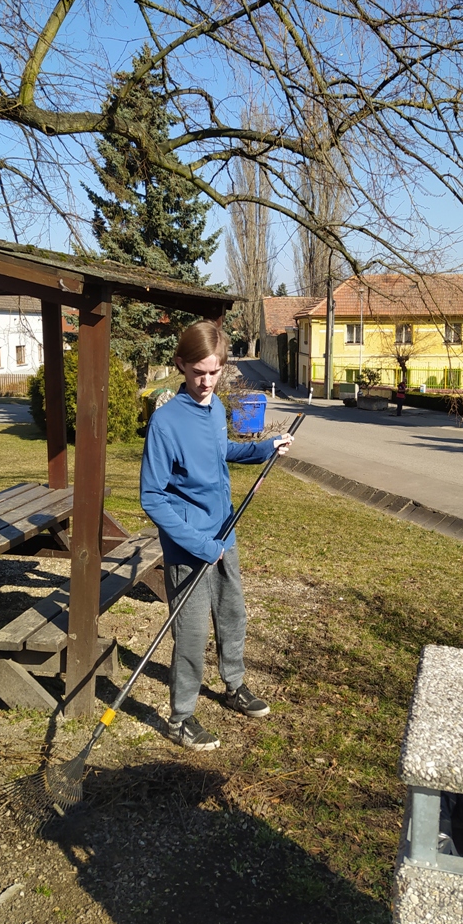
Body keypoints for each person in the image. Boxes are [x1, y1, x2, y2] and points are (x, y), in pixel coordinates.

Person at [140, 321, 294, 751]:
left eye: (214, 372)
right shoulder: (166, 423)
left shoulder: (212, 410)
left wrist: (265, 447)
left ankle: (234, 685)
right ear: (181, 365)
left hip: (224, 533)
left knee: (232, 615)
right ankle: (181, 718)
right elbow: (152, 497)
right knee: (191, 634)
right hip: (190, 546)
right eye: (198, 373)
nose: (206, 382)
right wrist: (199, 545)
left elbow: (220, 452)